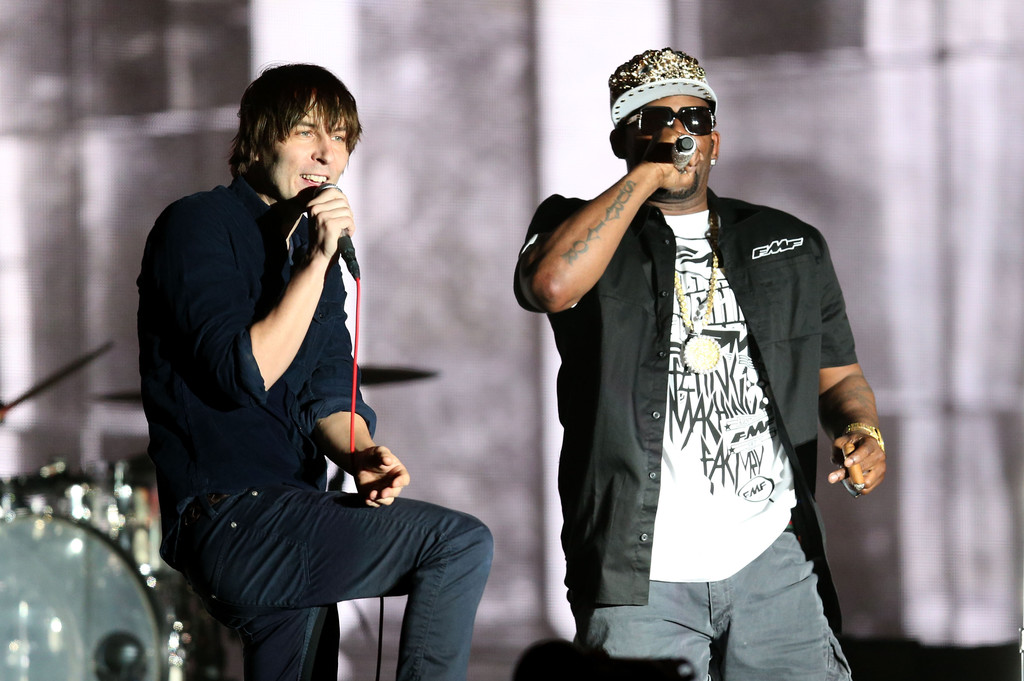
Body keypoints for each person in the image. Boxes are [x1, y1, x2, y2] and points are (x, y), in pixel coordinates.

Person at [514, 48, 887, 680]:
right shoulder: (571, 224)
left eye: (695, 117)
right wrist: (647, 176)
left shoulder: (789, 241)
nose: (678, 130)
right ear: (621, 140)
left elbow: (840, 376)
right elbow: (550, 286)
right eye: (655, 119)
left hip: (771, 559)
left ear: (716, 138)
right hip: (639, 574)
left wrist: (862, 430)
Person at [138, 63, 493, 681]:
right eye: (307, 132)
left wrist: (362, 453)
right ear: (258, 140)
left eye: (341, 138)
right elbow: (241, 372)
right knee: (456, 543)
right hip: (231, 516)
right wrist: (317, 261)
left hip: (294, 515)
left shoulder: (313, 258)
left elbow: (328, 390)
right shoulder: (197, 224)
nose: (327, 153)